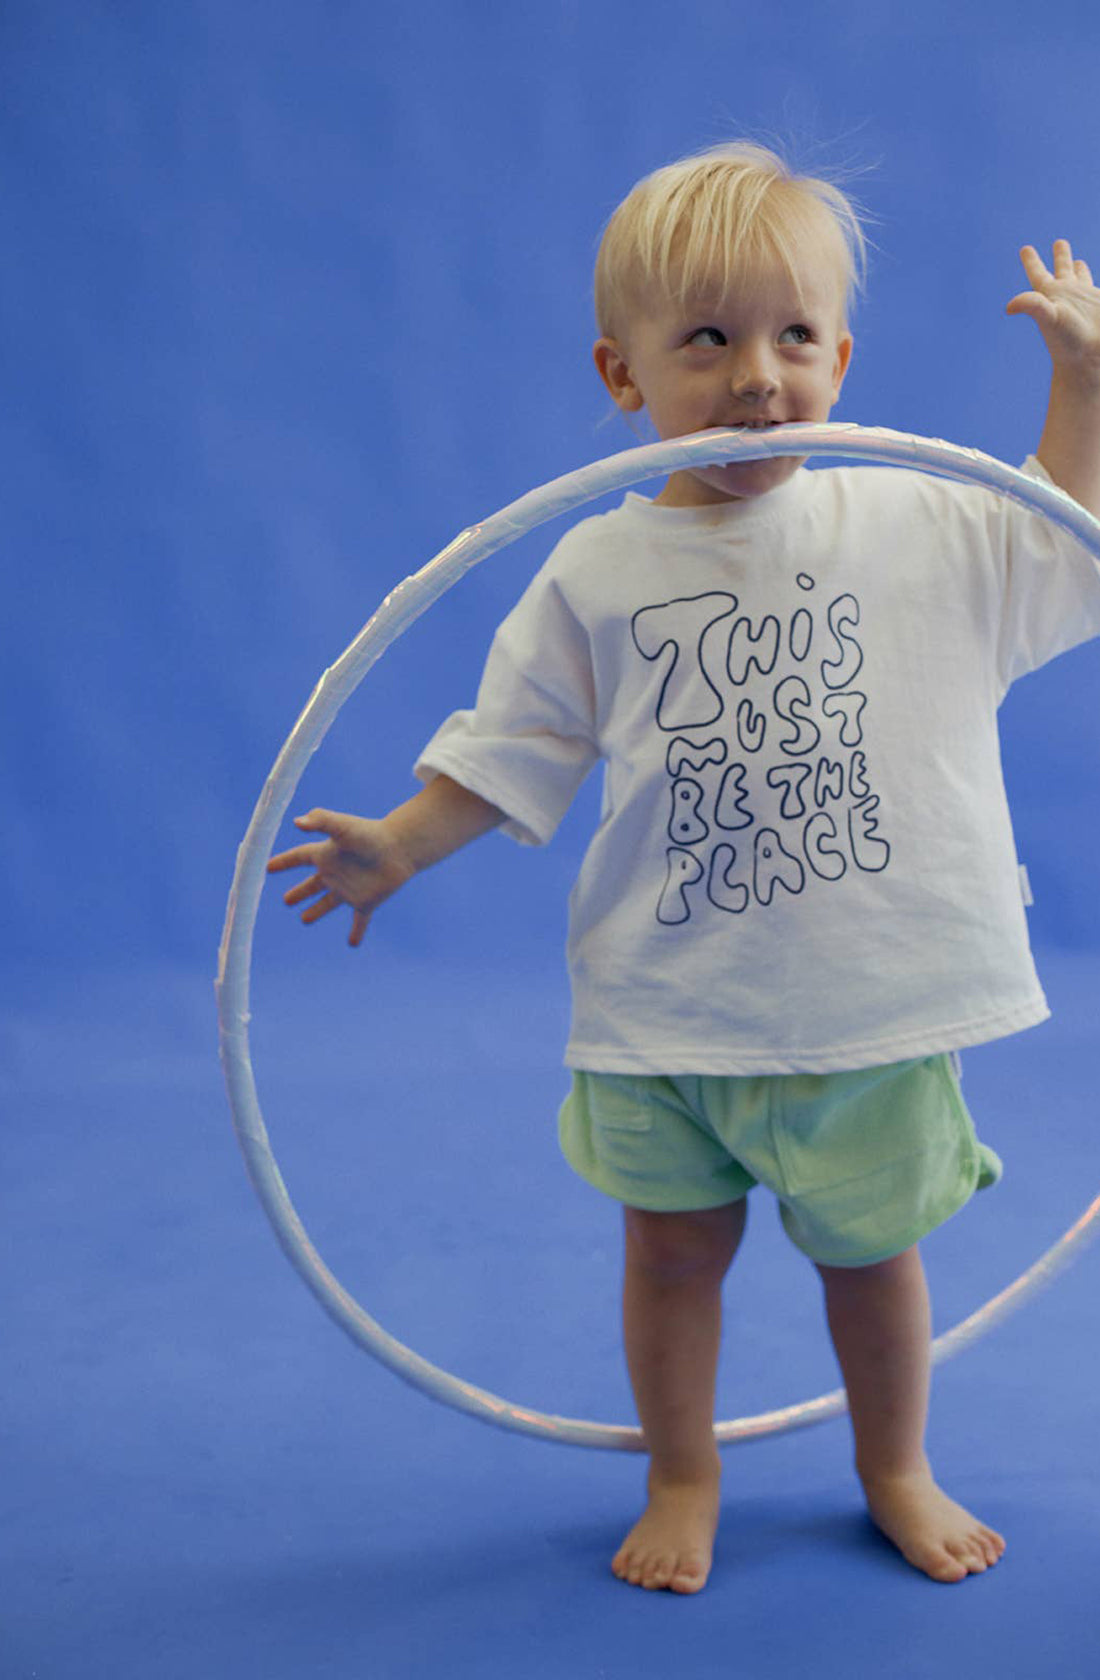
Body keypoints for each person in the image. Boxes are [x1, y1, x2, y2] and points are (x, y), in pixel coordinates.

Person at [267, 143, 1100, 1595]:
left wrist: (1084, 386)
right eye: (706, 341)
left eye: (792, 337)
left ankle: (892, 1463)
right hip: (674, 1016)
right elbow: (513, 743)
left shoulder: (915, 523)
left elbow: (1067, 540)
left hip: (869, 1015)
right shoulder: (596, 569)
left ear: (842, 354)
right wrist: (400, 843)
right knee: (668, 1262)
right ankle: (683, 1467)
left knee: (873, 1266)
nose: (755, 374)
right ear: (622, 373)